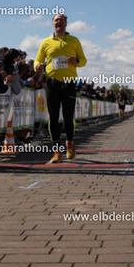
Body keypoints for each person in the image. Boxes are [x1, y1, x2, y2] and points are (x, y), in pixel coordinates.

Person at [35, 13, 87, 163]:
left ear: (66, 23)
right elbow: (38, 60)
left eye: (61, 20)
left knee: (68, 116)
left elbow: (83, 60)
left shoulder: (74, 40)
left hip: (69, 83)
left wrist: (76, 61)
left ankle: (70, 143)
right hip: (52, 83)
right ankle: (57, 151)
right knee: (53, 117)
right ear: (53, 24)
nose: (59, 22)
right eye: (56, 20)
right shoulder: (46, 42)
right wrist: (37, 66)